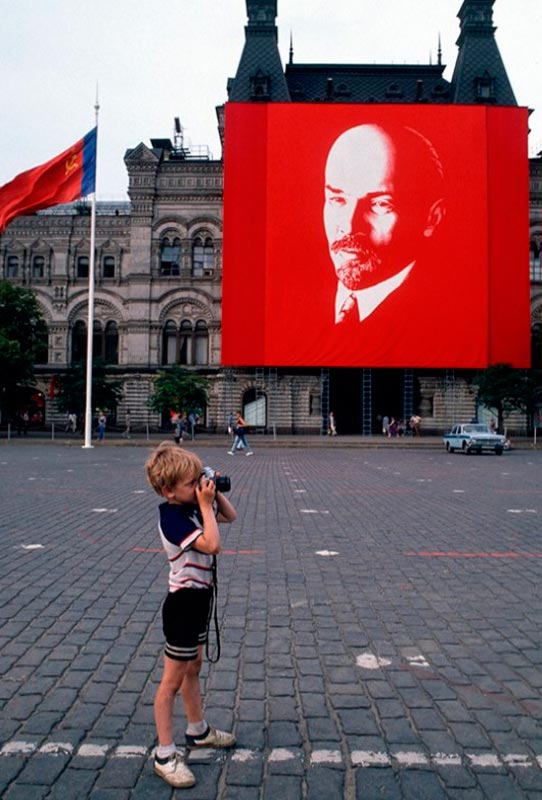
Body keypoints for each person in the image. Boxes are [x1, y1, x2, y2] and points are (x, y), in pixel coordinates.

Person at [145, 443, 237, 788]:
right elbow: (213, 545)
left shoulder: (192, 506)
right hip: (183, 604)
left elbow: (230, 517)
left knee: (194, 667)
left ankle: (197, 730)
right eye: (191, 482)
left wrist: (212, 496)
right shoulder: (172, 517)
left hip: (200, 601)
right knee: (171, 680)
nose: (199, 486)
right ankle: (164, 754)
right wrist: (203, 505)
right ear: (169, 490)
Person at [323, 123, 445, 328]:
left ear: (432, 218)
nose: (350, 226)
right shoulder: (287, 303)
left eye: (380, 204)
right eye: (338, 199)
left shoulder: (447, 318)